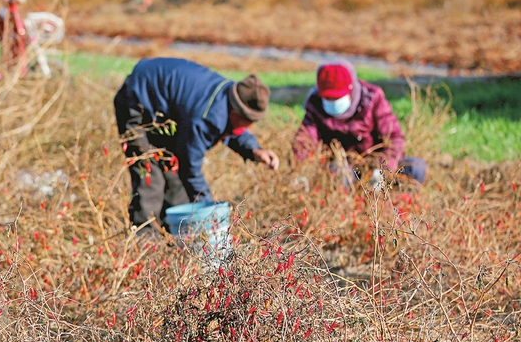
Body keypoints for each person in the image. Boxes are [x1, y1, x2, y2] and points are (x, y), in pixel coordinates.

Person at [113, 57, 280, 233]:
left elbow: (231, 129)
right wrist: (209, 211)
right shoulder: (205, 118)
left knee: (174, 176)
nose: (249, 127)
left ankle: (172, 236)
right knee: (149, 178)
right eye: (247, 122)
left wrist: (254, 150)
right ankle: (144, 243)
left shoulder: (228, 98)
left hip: (164, 111)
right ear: (237, 112)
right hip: (136, 100)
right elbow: (189, 168)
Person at [293, 59, 427, 186]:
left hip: (375, 165)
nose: (333, 102)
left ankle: (397, 203)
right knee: (339, 174)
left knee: (416, 168)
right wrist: (300, 171)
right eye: (328, 98)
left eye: (337, 98)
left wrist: (383, 169)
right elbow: (304, 142)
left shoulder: (372, 100)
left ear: (350, 90)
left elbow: (394, 138)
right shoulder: (315, 105)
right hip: (341, 170)